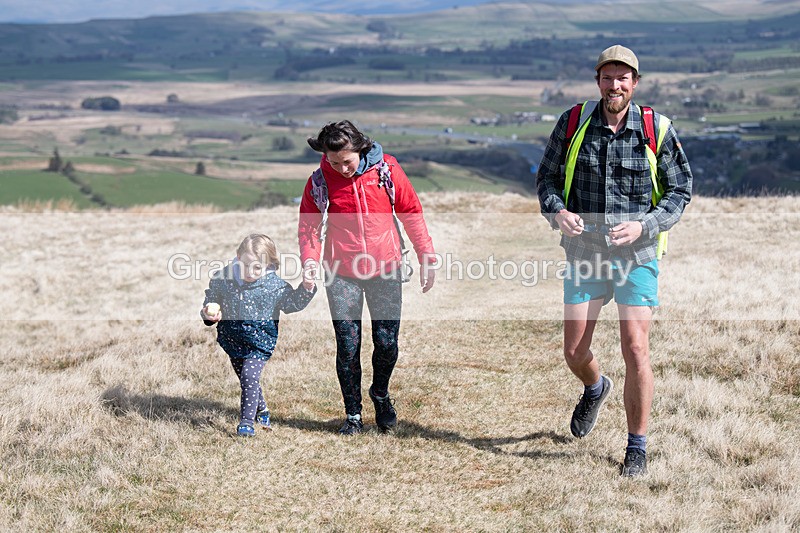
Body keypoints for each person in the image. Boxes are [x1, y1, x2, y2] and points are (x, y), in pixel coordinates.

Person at [536, 45, 692, 476]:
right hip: (585, 253)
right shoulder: (573, 122)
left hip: (636, 256)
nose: (615, 85)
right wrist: (558, 210)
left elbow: (680, 191)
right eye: (608, 77)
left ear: (635, 83)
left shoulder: (655, 129)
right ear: (598, 81)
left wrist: (646, 226)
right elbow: (546, 178)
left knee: (636, 348)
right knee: (574, 350)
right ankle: (595, 385)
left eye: (623, 78)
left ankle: (636, 446)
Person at [298, 120, 436, 435]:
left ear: (361, 149)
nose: (342, 168)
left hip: (385, 269)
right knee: (348, 345)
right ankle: (353, 415)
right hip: (340, 272)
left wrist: (427, 257)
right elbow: (309, 226)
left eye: (347, 161)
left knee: (386, 342)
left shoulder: (386, 171)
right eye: (334, 162)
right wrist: (309, 263)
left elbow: (411, 211)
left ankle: (380, 393)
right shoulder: (320, 181)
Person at [201, 233, 316, 437]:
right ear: (238, 257)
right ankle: (262, 408)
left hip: (260, 342)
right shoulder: (223, 278)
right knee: (247, 380)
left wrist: (306, 288)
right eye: (246, 265)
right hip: (232, 338)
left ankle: (246, 422)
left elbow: (292, 304)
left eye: (257, 268)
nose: (250, 272)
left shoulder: (274, 286)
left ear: (268, 265)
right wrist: (209, 314)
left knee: (249, 376)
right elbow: (212, 296)